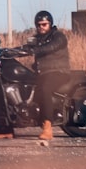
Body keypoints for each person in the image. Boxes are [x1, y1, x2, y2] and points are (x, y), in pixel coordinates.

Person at [23, 10, 70, 141]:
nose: (41, 27)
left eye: (44, 24)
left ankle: (48, 127)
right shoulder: (37, 39)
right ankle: (7, 128)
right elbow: (27, 47)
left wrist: (36, 49)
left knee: (46, 88)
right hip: (42, 73)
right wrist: (10, 51)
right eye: (38, 25)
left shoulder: (58, 36)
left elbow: (50, 47)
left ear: (50, 24)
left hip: (59, 72)